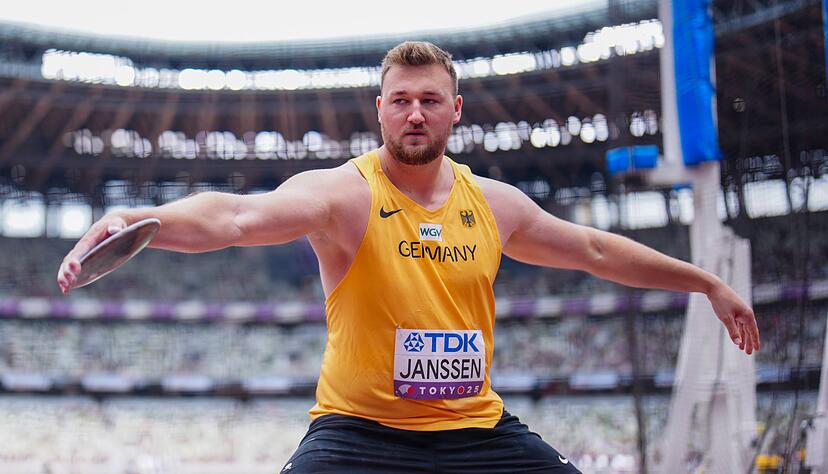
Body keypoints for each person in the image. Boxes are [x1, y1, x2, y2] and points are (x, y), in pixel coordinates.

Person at [57, 41, 760, 473]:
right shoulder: (345, 195)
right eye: (400, 101)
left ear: (457, 109)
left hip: (476, 431)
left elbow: (596, 249)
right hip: (358, 435)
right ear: (380, 110)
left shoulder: (495, 205)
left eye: (429, 99)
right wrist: (134, 220)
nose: (415, 113)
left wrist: (706, 283)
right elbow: (236, 217)